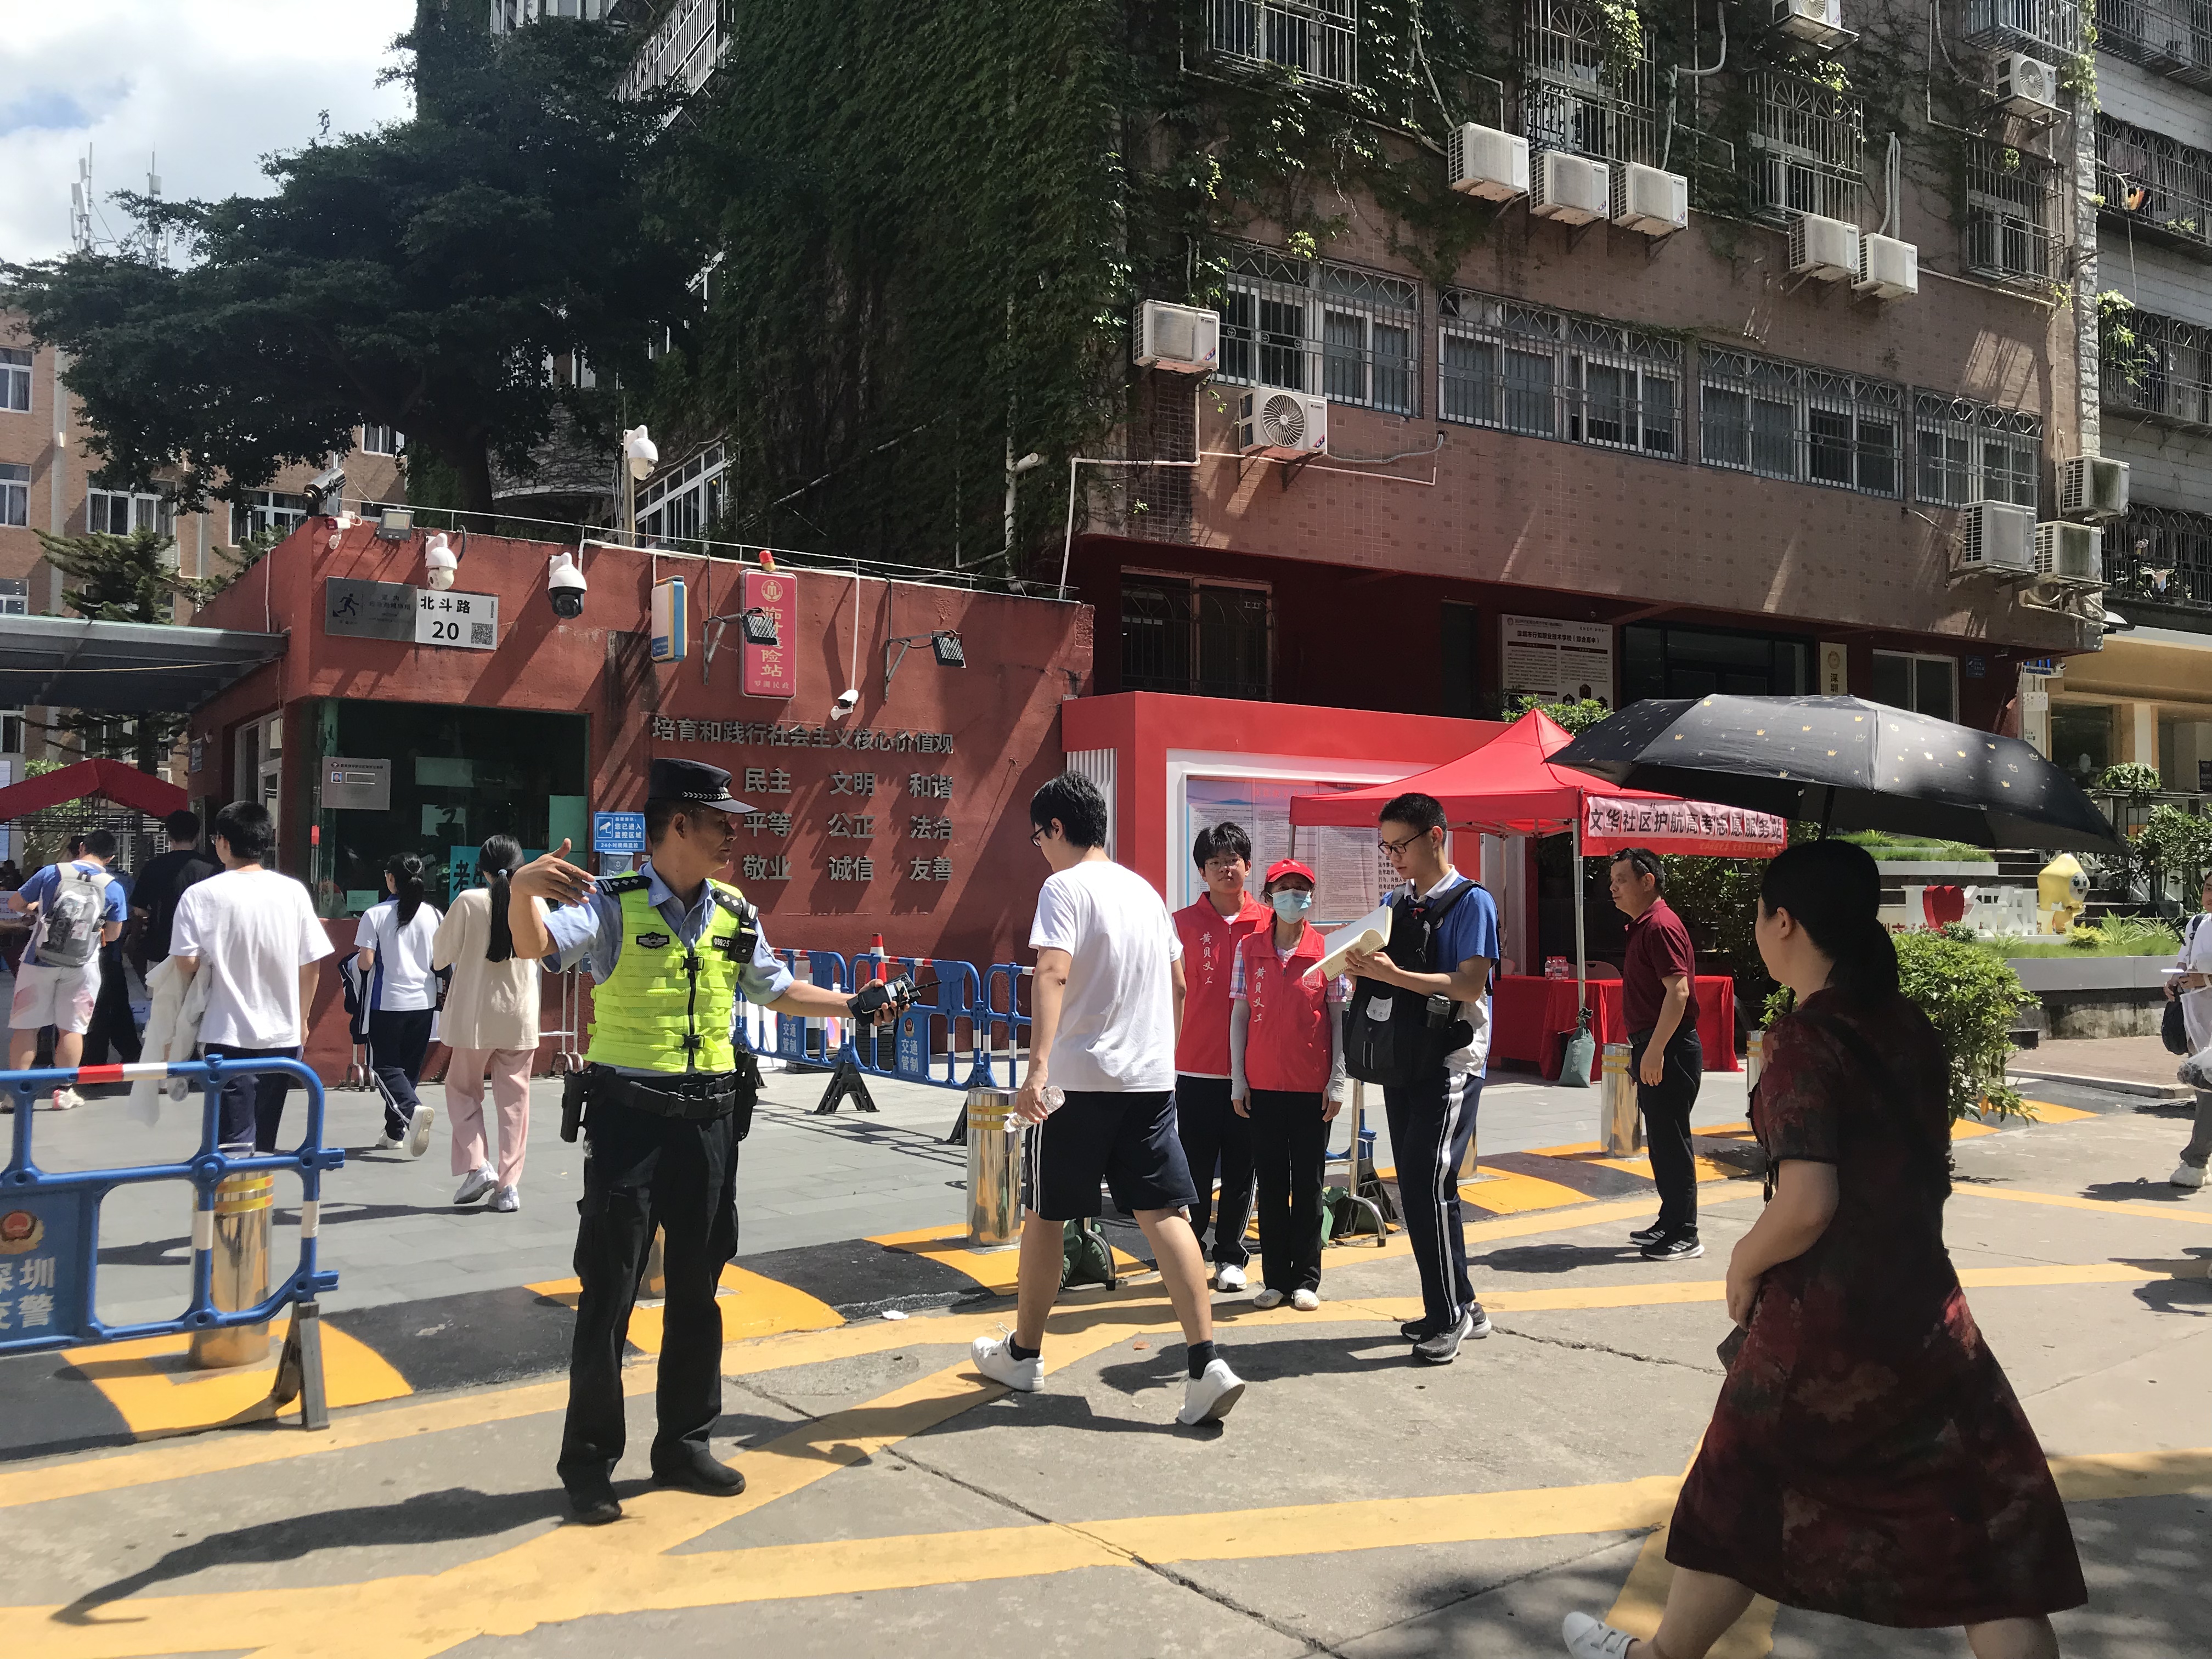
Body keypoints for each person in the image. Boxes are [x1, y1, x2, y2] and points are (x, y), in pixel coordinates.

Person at [1561, 839, 2085, 1659]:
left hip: (1823, 1330)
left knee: (1736, 1491)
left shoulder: (1807, 1040)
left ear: (1785, 923)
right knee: (1984, 1536)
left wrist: (1744, 1261)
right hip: (1927, 1313)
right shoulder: (1907, 1025)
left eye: (1759, 915)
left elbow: (1809, 1202)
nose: (1757, 930)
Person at [505, 757, 904, 1526]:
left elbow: (776, 988)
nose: (733, 834)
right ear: (679, 824)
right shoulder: (612, 903)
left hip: (711, 1125)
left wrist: (853, 1005)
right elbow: (536, 947)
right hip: (629, 1123)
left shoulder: (733, 911)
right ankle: (589, 1463)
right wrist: (523, 890)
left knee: (698, 1289)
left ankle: (685, 1444)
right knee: (610, 1293)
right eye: (721, 821)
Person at [970, 771, 1246, 1425]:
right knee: (1165, 1214)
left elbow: (1052, 971)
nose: (1040, 850)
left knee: (1046, 1214)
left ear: (1056, 828)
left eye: (1039, 837)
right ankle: (1206, 1363)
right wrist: (1161, 1056)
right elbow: (1180, 984)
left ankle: (1024, 1354)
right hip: (1149, 1082)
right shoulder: (1145, 892)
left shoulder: (1064, 888)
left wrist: (1037, 1070)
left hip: (1076, 1082)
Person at [1343, 792, 1500, 1365]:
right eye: (1386, 848)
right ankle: (1462, 1305)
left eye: (1400, 845)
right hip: (1402, 1057)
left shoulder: (1473, 902)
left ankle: (1448, 1315)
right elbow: (1384, 973)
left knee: (1422, 1183)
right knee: (1428, 1185)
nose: (1394, 858)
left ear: (1436, 836)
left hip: (1450, 1059)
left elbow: (1469, 984)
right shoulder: (1394, 903)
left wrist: (1394, 975)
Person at [169, 802, 335, 1152]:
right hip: (283, 1034)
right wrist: (303, 1019)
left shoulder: (200, 895)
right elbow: (311, 962)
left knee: (232, 1144)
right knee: (263, 1142)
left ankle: (236, 1189)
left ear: (223, 842)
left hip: (226, 1034)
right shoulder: (293, 891)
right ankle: (259, 1187)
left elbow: (185, 962)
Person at [1229, 859, 1347, 1311]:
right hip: (1263, 1086)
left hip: (1310, 1087)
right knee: (1272, 1185)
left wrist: (1337, 1081)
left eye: (1301, 889)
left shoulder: (1327, 950)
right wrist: (1238, 1079)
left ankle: (1307, 1279)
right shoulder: (1250, 949)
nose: (1293, 896)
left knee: (1310, 1186)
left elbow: (1338, 1018)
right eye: (1285, 888)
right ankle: (1275, 1279)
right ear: (1269, 896)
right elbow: (1240, 1016)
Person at [1169, 821, 1271, 1291]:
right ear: (1202, 872)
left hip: (1253, 1069)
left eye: (1233, 860)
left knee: (1241, 1168)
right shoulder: (1180, 924)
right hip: (1194, 1065)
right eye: (1215, 862)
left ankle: (1230, 1255)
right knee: (1191, 1167)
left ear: (1248, 865)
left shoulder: (1270, 923)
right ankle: (1187, 1253)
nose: (1225, 869)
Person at [434, 834, 543, 1212]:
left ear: (482, 870)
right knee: (515, 1104)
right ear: (521, 866)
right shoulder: (535, 902)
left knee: (462, 1089)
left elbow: (440, 956)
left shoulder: (468, 902)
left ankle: (478, 1164)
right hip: (520, 1015)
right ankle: (509, 1187)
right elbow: (546, 955)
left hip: (474, 1016)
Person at [1609, 847, 1705, 1261]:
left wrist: (1656, 1050)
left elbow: (1678, 992)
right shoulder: (1644, 926)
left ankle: (1686, 1232)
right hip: (1655, 1044)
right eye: (1612, 882)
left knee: (1672, 1141)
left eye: (1621, 880)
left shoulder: (1660, 925)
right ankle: (1670, 1220)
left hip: (1669, 1046)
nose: (1613, 889)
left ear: (1647, 881)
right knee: (1662, 1142)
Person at [6, 828, 128, 1110]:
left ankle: (15, 1094)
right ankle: (63, 1093)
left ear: (82, 847)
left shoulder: (52, 872)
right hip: (83, 965)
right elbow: (113, 934)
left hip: (38, 960)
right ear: (110, 857)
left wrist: (37, 910)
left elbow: (15, 903)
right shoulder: (114, 886)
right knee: (72, 1029)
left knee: (26, 1028)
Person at [357, 853, 443, 1159]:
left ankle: (411, 1111)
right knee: (408, 1070)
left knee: (384, 1066)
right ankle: (394, 1132)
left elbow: (366, 963)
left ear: (391, 879)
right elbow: (441, 960)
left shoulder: (375, 915)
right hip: (424, 1002)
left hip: (388, 1002)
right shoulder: (434, 914)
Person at [2165, 873, 2212, 1189]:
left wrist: (2205, 980)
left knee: (2209, 1094)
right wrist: (2175, 979)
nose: (2211, 895)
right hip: (2198, 1023)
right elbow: (2185, 962)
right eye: (2209, 888)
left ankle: (2195, 1161)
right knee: (2205, 1089)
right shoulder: (2197, 925)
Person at [129, 811, 219, 975]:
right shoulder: (213, 868)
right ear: (198, 836)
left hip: (160, 949)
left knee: (160, 992)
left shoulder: (153, 866)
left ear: (169, 836)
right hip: (202, 953)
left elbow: (139, 910)